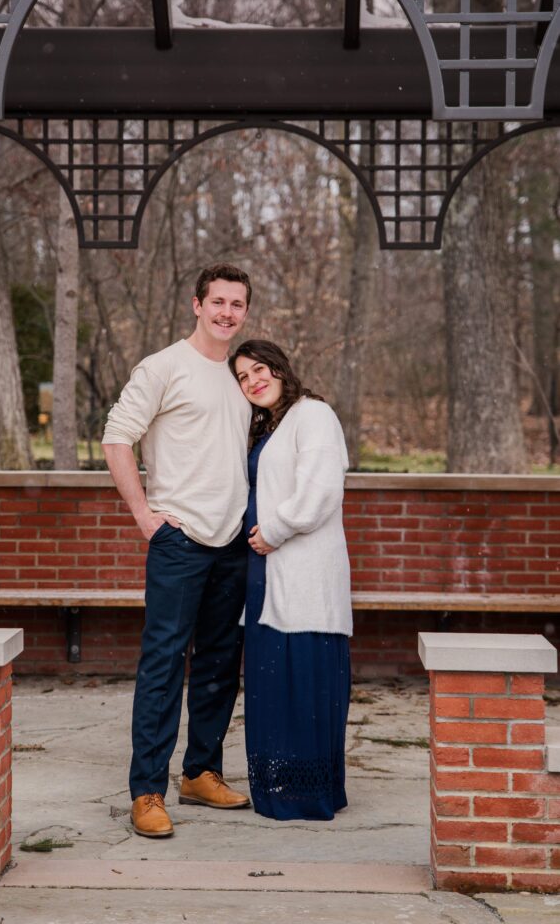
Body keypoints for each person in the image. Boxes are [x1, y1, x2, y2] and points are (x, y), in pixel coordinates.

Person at [102, 264, 253, 839]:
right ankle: (147, 791)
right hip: (180, 541)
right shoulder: (164, 366)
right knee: (164, 665)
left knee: (218, 663)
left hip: (232, 541)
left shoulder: (239, 378)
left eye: (237, 305)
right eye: (218, 302)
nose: (226, 313)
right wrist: (145, 515)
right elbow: (118, 437)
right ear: (197, 304)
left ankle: (201, 773)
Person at [229, 339, 353, 821]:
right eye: (242, 376)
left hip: (303, 571)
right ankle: (276, 785)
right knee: (270, 683)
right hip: (267, 570)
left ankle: (307, 792)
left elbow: (321, 490)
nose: (252, 380)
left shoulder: (313, 414)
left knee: (303, 679)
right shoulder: (271, 425)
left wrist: (275, 532)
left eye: (259, 369)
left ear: (280, 369)